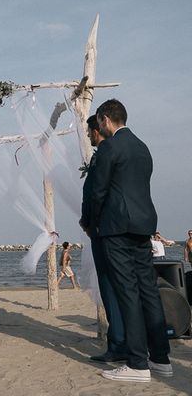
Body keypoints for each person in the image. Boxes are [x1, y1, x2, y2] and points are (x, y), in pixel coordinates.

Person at [87, 99, 171, 382]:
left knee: (127, 292)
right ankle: (160, 358)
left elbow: (98, 191)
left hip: (117, 226)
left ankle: (137, 363)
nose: (98, 127)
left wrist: (90, 222)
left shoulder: (110, 147)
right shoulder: (142, 147)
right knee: (148, 289)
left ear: (106, 120)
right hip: (143, 223)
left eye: (98, 122)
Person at [79, 114, 127, 363]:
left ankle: (118, 343)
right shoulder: (134, 149)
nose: (88, 136)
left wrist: (88, 223)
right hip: (123, 228)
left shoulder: (105, 153)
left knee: (110, 287)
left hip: (105, 230)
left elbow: (95, 192)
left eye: (89, 132)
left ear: (99, 129)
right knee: (125, 289)